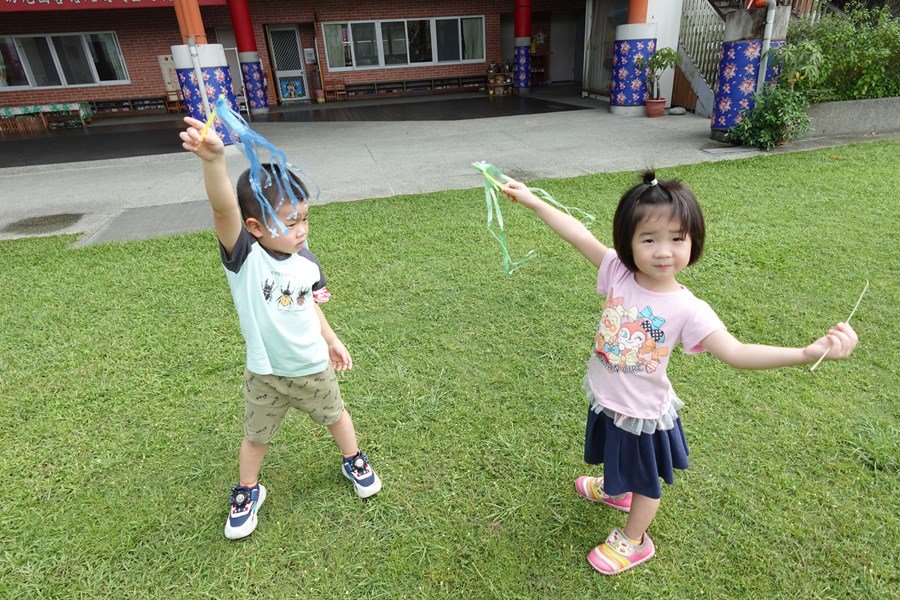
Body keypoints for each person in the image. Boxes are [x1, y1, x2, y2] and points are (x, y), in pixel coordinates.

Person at [501, 171, 857, 575]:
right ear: (628, 242)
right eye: (649, 239)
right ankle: (618, 489)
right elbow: (577, 233)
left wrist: (806, 352)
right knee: (616, 452)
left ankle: (634, 540)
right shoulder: (618, 271)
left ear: (693, 242)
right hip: (608, 396)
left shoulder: (689, 309)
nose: (663, 251)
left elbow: (736, 352)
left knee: (647, 480)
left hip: (642, 413)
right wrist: (531, 199)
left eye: (677, 238)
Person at [179, 117, 381, 541]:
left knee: (337, 416)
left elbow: (309, 305)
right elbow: (222, 208)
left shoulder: (308, 262)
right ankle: (248, 491)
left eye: (305, 218)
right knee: (255, 438)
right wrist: (214, 161)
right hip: (265, 375)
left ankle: (354, 459)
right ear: (254, 227)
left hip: (311, 367)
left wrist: (331, 339)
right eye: (289, 223)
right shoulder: (245, 258)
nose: (301, 230)